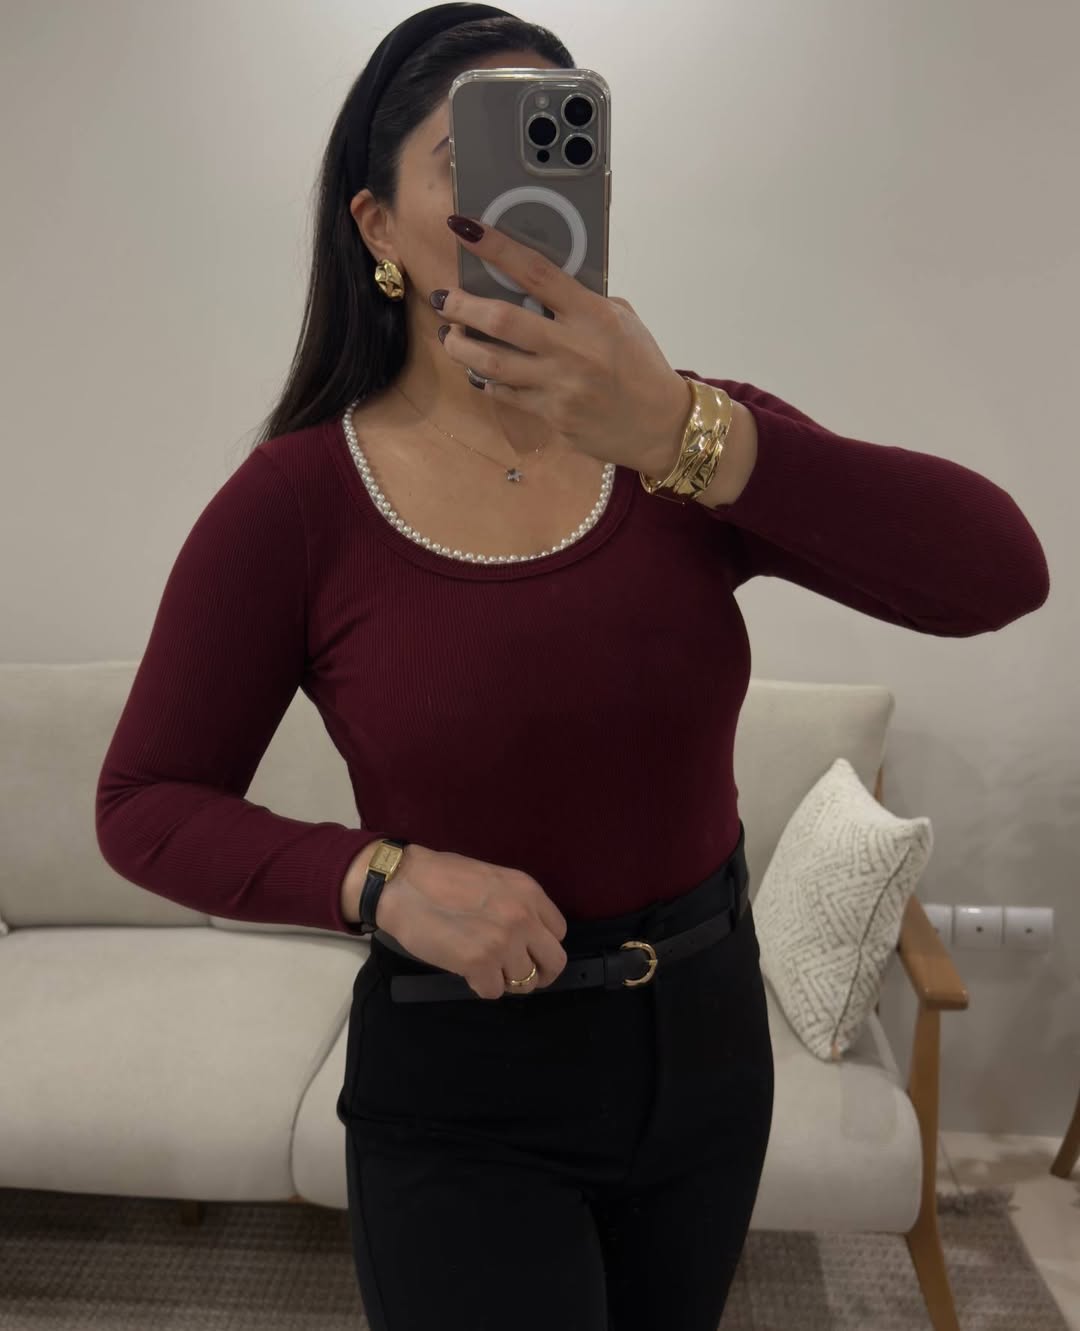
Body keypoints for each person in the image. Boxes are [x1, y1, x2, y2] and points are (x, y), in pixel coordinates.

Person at [95, 4, 1050, 1329]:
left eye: (567, 146)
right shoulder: (299, 504)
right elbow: (143, 803)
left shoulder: (682, 442)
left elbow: (1000, 575)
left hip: (708, 1053)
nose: (529, 202)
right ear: (378, 227)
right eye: (471, 160)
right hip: (461, 1078)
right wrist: (377, 878)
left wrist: (687, 432)